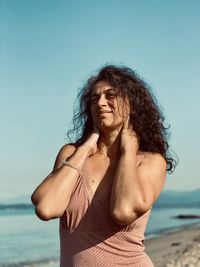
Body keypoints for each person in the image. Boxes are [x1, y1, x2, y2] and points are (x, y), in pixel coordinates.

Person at [31, 65, 176, 266]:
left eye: (110, 95)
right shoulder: (71, 154)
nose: (100, 103)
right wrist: (85, 148)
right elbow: (46, 208)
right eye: (94, 98)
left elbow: (123, 211)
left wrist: (128, 152)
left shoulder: (151, 161)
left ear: (132, 104)